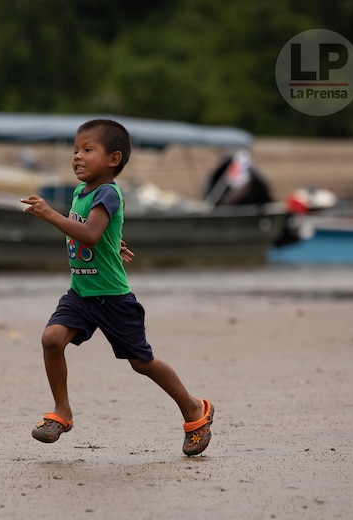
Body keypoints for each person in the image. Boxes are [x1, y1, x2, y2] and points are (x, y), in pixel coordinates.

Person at [20, 119, 213, 456]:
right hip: (81, 293)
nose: (77, 156)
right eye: (75, 150)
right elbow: (98, 231)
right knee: (51, 339)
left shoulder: (108, 192)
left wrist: (50, 214)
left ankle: (194, 408)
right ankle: (62, 412)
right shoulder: (81, 192)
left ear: (113, 159)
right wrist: (114, 244)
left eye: (87, 150)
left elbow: (90, 234)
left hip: (113, 298)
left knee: (142, 362)